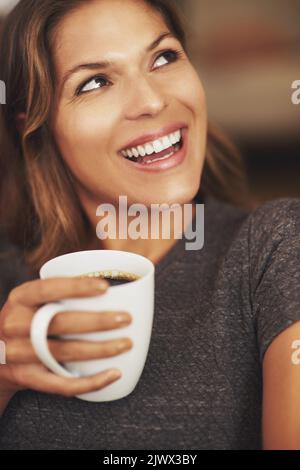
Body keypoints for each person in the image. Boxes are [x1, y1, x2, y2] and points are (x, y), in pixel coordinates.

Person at [0, 0, 299, 450]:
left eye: (163, 57)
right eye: (95, 82)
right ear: (37, 128)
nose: (153, 101)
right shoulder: (8, 289)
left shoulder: (276, 247)